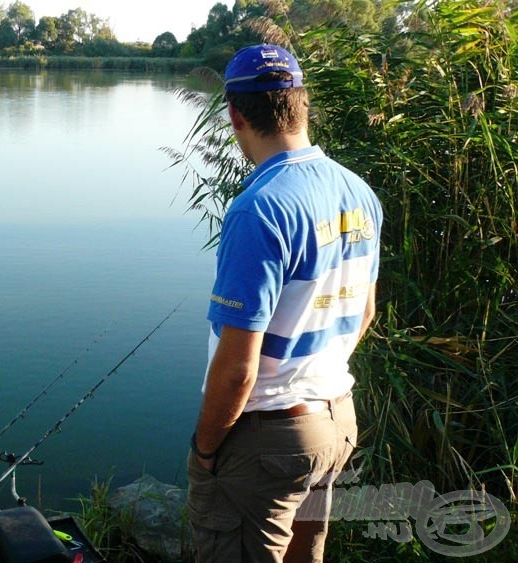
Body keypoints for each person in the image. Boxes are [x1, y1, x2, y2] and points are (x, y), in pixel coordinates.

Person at [187, 44, 383, 563]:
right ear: (300, 102)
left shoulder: (259, 208)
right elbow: (364, 313)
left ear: (235, 113)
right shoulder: (359, 192)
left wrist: (205, 450)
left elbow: (237, 371)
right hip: (336, 421)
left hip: (268, 436)